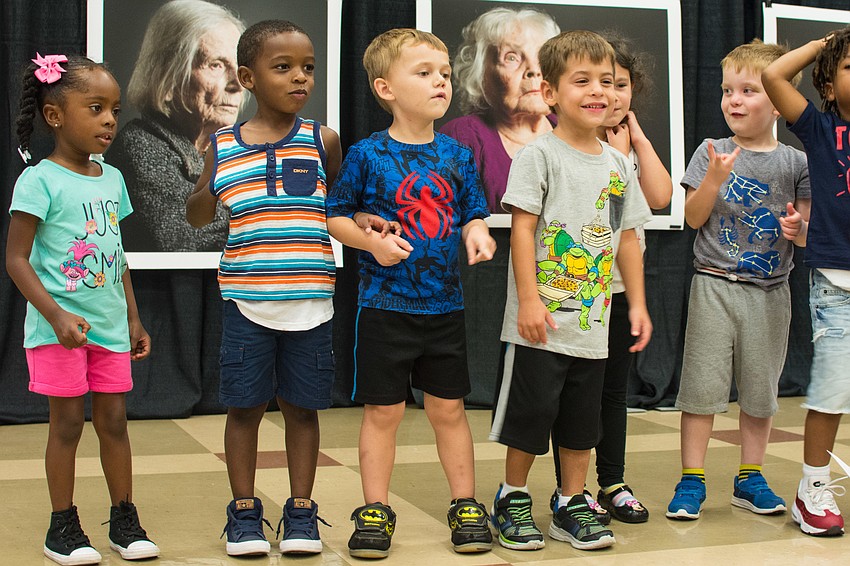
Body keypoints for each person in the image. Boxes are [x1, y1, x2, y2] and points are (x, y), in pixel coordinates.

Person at [326, 28, 497, 559]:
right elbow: (335, 217)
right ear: (385, 88)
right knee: (384, 412)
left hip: (445, 308)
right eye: (423, 73)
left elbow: (472, 210)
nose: (439, 82)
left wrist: (476, 231)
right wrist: (371, 246)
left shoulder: (457, 154)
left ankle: (465, 504)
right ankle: (374, 508)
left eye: (444, 74)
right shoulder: (366, 154)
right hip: (384, 308)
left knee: (450, 410)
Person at [489, 30, 653, 552]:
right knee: (531, 416)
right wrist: (530, 299)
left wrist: (640, 305)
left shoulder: (618, 163)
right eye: (582, 80)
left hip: (593, 320)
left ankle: (570, 501)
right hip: (542, 321)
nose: (598, 91)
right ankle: (512, 494)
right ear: (551, 93)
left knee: (583, 422)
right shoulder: (540, 156)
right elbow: (521, 230)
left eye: (606, 81)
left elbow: (627, 236)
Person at [186, 20, 342, 556]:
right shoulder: (222, 143)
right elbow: (197, 214)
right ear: (249, 78)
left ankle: (301, 513)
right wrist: (204, 186)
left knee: (303, 409)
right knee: (244, 409)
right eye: (284, 68)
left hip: (312, 305)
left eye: (308, 68)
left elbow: (338, 211)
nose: (300, 78)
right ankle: (245, 512)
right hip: (247, 304)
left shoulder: (323, 140)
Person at [7, 54, 159, 565]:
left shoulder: (112, 179)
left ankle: (124, 518)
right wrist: (55, 316)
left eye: (114, 109)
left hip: (111, 327)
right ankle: (62, 526)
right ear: (55, 116)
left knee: (114, 422)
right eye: (96, 108)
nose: (110, 120)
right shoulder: (38, 181)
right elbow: (16, 259)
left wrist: (133, 317)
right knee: (67, 425)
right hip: (58, 332)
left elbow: (117, 257)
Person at [666, 40, 810, 522]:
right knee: (702, 387)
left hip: (771, 293)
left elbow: (807, 230)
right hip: (714, 285)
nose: (734, 100)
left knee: (760, 392)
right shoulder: (711, 151)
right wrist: (713, 179)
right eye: (729, 90)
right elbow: (692, 219)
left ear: (777, 99)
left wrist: (798, 228)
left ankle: (750, 476)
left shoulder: (795, 163)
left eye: (749, 90)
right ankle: (692, 479)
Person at [548, 31, 673, 525]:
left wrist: (636, 141)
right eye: (604, 83)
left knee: (612, 393)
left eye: (621, 85)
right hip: (578, 293)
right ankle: (570, 491)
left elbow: (661, 197)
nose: (612, 95)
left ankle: (613, 481)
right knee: (572, 393)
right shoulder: (565, 144)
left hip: (621, 293)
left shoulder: (626, 150)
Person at [763, 28, 850, 537]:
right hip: (838, 284)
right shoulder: (820, 129)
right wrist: (823, 44)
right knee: (832, 391)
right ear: (828, 85)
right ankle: (812, 488)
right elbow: (773, 74)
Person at [107, 0, 244, 252]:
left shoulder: (229, 149)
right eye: (216, 65)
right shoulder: (140, 146)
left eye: (240, 67)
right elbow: (184, 234)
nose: (238, 84)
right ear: (168, 76)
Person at [440, 7, 560, 214]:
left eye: (543, 57)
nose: (533, 69)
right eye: (512, 57)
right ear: (482, 73)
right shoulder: (460, 138)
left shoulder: (574, 131)